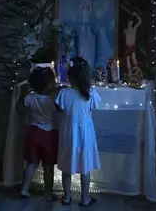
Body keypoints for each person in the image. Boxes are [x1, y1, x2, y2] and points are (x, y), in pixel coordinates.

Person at [55, 57, 101, 207]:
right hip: (85, 134)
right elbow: (94, 107)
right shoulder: (91, 93)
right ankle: (85, 198)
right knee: (85, 167)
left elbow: (60, 108)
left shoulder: (64, 93)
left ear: (70, 77)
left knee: (66, 167)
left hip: (68, 133)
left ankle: (67, 197)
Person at [18, 67, 59, 201]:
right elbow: (61, 109)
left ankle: (24, 189)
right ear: (49, 85)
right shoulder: (52, 100)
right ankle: (48, 193)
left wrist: (22, 94)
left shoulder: (30, 97)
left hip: (33, 132)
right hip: (49, 135)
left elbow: (20, 107)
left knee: (31, 163)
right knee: (48, 166)